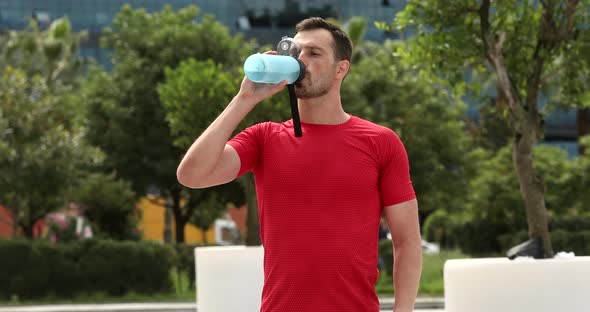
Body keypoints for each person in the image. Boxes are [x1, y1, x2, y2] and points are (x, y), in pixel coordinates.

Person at [177, 17, 422, 312]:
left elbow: (407, 242)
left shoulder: (381, 142)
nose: (302, 61)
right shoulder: (264, 138)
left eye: (314, 54)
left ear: (341, 69)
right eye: (297, 53)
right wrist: (243, 99)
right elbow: (191, 174)